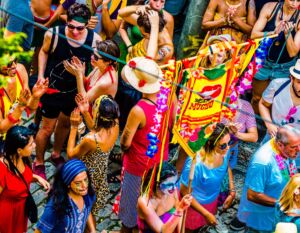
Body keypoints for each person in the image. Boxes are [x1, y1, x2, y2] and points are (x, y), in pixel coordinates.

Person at [34, 3, 101, 179]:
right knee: (46, 128)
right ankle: (39, 162)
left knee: (65, 124)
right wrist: (41, 75)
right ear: (66, 22)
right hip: (52, 90)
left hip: (74, 93)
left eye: (80, 28)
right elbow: (43, 52)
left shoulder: (95, 40)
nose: (75, 31)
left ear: (88, 24)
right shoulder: (54, 34)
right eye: (70, 26)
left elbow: (98, 66)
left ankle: (56, 154)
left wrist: (88, 81)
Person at [119, 57, 175, 233]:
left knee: (130, 205)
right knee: (151, 199)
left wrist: (124, 149)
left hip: (138, 165)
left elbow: (125, 142)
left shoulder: (139, 110)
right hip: (159, 162)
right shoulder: (169, 98)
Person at [237, 125, 300, 232]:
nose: (299, 150)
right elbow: (252, 195)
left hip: (275, 215)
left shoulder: (286, 150)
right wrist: (283, 205)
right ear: (280, 145)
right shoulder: (263, 162)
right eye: (294, 147)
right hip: (261, 219)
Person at [67, 95, 119, 217]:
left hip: (87, 177)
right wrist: (85, 112)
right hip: (99, 174)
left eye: (94, 106)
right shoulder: (114, 124)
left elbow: (71, 155)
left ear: (98, 115)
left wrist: (74, 127)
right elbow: (96, 128)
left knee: (85, 212)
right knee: (91, 211)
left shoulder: (90, 140)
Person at [180, 122, 235, 232]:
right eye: (223, 145)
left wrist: (232, 189)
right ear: (210, 143)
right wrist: (206, 214)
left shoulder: (224, 151)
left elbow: (227, 165)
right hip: (194, 207)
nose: (228, 147)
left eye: (230, 142)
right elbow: (184, 191)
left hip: (211, 201)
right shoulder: (196, 164)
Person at [251, 0, 300, 114]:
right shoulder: (270, 8)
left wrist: (287, 34)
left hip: (284, 67)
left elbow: (293, 52)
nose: (294, 3)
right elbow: (254, 34)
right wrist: (273, 32)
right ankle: (253, 124)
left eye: (298, 1)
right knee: (257, 98)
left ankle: (269, 128)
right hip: (264, 63)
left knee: (274, 102)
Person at [0, 126, 50, 233]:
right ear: (19, 150)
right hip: (6, 214)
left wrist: (37, 178)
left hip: (21, 210)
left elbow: (21, 177)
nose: (35, 145)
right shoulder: (2, 170)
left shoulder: (24, 158)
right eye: (31, 144)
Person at [35, 159, 97, 233]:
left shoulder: (87, 194)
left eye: (86, 180)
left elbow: (87, 210)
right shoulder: (54, 209)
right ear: (68, 184)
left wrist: (92, 230)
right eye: (78, 183)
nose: (84, 186)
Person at [0, 59, 48, 151]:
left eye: (15, 60)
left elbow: (31, 108)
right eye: (8, 64)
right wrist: (19, 107)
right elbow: (2, 128)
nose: (14, 65)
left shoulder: (20, 71)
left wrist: (35, 97)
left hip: (13, 133)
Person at [137, 162, 193, 233]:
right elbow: (162, 231)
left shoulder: (173, 190)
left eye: (175, 183)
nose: (173, 188)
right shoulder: (145, 202)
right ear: (157, 184)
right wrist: (180, 209)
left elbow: (179, 213)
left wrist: (181, 231)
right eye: (169, 184)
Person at [63, 39, 120, 105]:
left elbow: (84, 102)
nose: (92, 57)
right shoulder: (100, 66)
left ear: (108, 61)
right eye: (92, 53)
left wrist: (79, 76)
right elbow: (86, 83)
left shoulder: (105, 82)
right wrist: (80, 72)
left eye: (96, 57)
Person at [259, 58, 300, 145]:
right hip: (273, 136)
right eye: (299, 82)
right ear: (292, 78)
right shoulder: (277, 85)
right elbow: (263, 104)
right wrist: (269, 124)